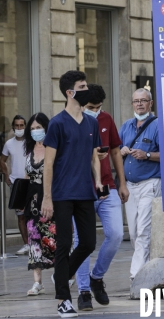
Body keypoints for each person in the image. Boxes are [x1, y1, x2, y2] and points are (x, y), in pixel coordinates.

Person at [41, 71, 103, 319]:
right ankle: (63, 300)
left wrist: (98, 180)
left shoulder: (92, 122)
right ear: (70, 92)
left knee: (88, 242)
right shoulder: (57, 123)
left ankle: (62, 273)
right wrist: (47, 197)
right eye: (82, 86)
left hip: (85, 192)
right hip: (62, 193)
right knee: (64, 244)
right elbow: (48, 164)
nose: (87, 88)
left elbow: (94, 156)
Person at [73, 84, 129, 311]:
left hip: (107, 187)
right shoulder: (72, 121)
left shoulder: (106, 119)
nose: (95, 111)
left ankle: (97, 277)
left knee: (116, 234)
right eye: (90, 107)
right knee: (82, 242)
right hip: (81, 190)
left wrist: (122, 182)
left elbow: (116, 150)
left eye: (98, 107)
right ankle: (83, 291)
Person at [119, 88, 161, 282]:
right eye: (136, 101)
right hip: (130, 186)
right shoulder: (126, 126)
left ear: (150, 103)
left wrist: (147, 155)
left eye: (143, 100)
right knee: (135, 232)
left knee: (144, 230)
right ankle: (146, 268)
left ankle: (135, 276)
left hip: (150, 184)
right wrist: (121, 151)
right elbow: (115, 152)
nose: (139, 104)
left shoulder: (158, 125)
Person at [23, 113, 57, 295]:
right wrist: (22, 200)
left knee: (54, 240)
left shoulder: (53, 148)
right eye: (33, 128)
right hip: (32, 202)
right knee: (34, 240)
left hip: (51, 199)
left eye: (39, 127)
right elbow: (26, 176)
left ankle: (63, 275)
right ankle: (37, 282)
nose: (36, 131)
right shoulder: (29, 151)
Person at [0, 114, 29, 254]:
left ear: (25, 126)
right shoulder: (9, 144)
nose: (19, 128)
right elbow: (2, 160)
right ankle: (26, 244)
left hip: (31, 182)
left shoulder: (31, 141)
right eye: (16, 126)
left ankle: (37, 243)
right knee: (21, 215)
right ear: (13, 127)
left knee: (34, 214)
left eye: (21, 125)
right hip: (16, 184)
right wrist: (6, 175)